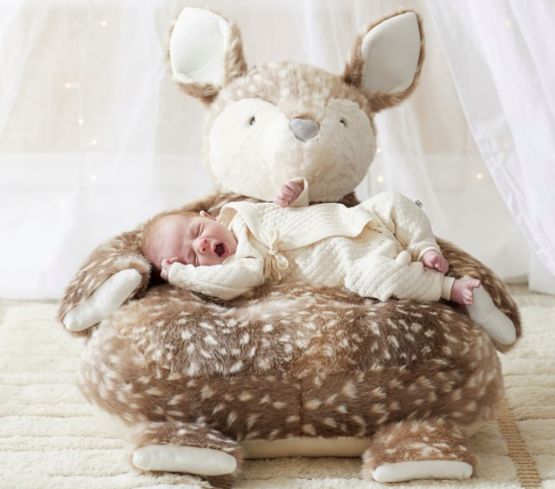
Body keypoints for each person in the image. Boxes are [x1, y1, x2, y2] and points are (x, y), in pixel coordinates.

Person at [142, 179, 516, 345]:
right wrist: (181, 274)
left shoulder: (241, 211)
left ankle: (424, 248)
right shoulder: (240, 267)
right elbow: (232, 280)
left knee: (396, 200)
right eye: (194, 254)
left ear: (206, 214)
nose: (204, 244)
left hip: (360, 218)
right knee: (377, 279)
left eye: (197, 231)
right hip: (359, 259)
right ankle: (451, 288)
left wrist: (294, 193)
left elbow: (295, 212)